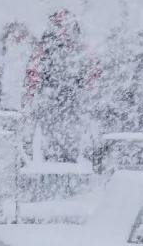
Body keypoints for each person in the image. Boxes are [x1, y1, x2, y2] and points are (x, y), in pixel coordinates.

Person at [23, 9, 97, 163]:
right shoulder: (79, 46)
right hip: (69, 100)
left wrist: (32, 96)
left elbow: (33, 72)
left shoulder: (45, 46)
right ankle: (65, 167)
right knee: (68, 142)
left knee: (53, 142)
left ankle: (55, 167)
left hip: (54, 99)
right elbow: (92, 72)